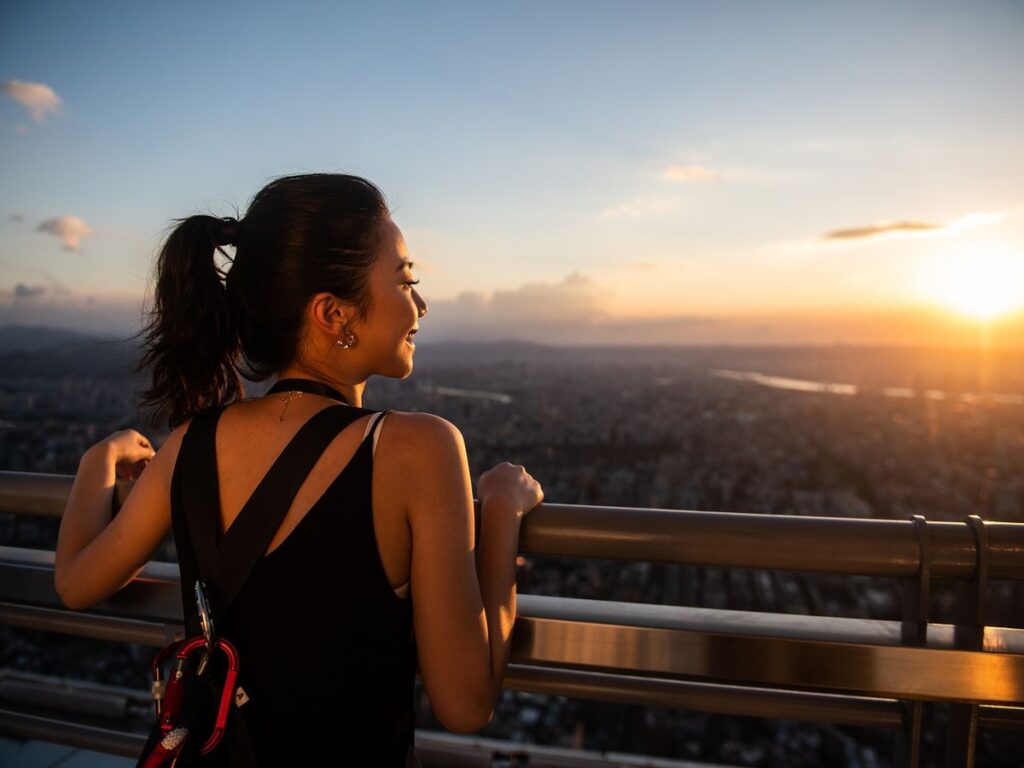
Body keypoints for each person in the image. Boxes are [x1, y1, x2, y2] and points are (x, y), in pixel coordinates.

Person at [53, 173, 545, 765]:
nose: (420, 302)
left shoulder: (190, 443)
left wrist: (96, 462)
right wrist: (501, 509)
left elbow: (75, 582)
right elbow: (466, 704)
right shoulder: (418, 448)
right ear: (334, 313)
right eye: (405, 279)